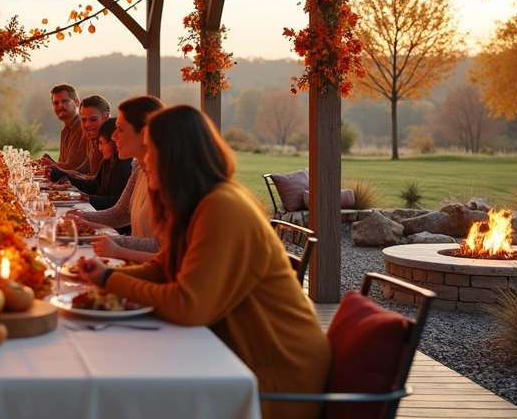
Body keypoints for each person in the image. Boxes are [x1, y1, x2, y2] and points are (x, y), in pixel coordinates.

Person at [77, 106, 330, 419]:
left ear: (174, 155)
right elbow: (163, 267)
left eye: (149, 150)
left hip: (272, 378)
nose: (142, 160)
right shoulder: (198, 203)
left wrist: (109, 280)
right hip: (230, 358)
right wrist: (101, 276)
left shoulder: (223, 206)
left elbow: (189, 305)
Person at [67, 95, 163, 260]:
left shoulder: (166, 177)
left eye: (120, 129)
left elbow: (161, 247)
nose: (113, 136)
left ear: (144, 132)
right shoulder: (138, 170)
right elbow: (122, 211)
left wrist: (109, 241)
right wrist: (85, 217)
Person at [60, 118, 132, 210]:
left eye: (101, 143)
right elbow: (95, 185)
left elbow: (117, 202)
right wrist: (70, 180)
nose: (100, 148)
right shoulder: (107, 161)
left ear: (115, 142)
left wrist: (90, 198)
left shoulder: (123, 166)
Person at [50, 95, 110, 181]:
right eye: (84, 120)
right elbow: (83, 170)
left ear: (106, 117)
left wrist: (65, 175)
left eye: (93, 120)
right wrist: (55, 169)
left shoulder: (112, 144)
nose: (87, 125)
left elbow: (100, 181)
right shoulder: (91, 139)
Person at [40, 84, 89, 172]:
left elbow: (74, 167)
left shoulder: (85, 128)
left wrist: (50, 165)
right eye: (56, 103)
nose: (60, 106)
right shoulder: (65, 131)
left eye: (65, 101)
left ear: (77, 102)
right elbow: (62, 165)